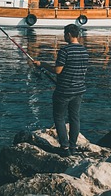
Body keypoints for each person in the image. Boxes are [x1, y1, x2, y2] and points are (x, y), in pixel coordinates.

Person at [33, 24, 89, 157]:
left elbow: (57, 70)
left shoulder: (65, 50)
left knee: (59, 118)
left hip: (64, 91)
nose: (64, 36)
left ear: (69, 34)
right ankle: (73, 147)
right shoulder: (84, 50)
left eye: (65, 34)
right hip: (79, 90)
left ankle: (64, 147)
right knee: (74, 118)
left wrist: (42, 64)